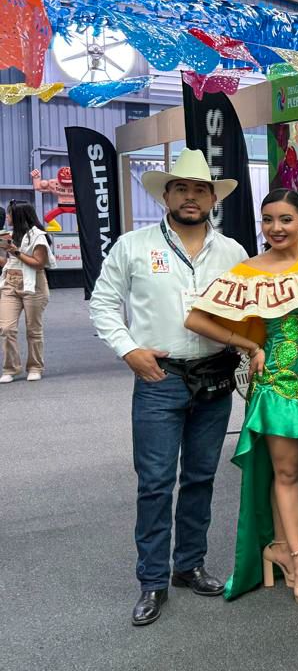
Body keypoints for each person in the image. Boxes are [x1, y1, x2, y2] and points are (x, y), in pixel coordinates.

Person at [184, 189, 298, 606]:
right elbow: (195, 318)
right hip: (276, 387)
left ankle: (289, 549)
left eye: (285, 219)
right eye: (267, 220)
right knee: (286, 472)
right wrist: (248, 346)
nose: (276, 228)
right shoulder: (248, 271)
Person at [88, 149, 248, 626]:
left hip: (215, 378)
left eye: (200, 189)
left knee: (200, 477)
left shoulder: (233, 252)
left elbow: (246, 311)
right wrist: (128, 349)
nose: (191, 197)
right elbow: (102, 304)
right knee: (155, 483)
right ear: (166, 195)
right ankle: (153, 580)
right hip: (159, 378)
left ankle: (189, 565)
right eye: (181, 188)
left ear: (213, 199)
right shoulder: (133, 246)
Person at [1, 201, 52, 383]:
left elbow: (39, 263)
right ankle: (10, 368)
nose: (7, 217)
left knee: (33, 329)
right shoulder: (9, 235)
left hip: (34, 284)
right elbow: (9, 263)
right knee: (6, 328)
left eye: (9, 214)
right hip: (10, 283)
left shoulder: (38, 237)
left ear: (18, 216)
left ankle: (35, 367)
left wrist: (15, 252)